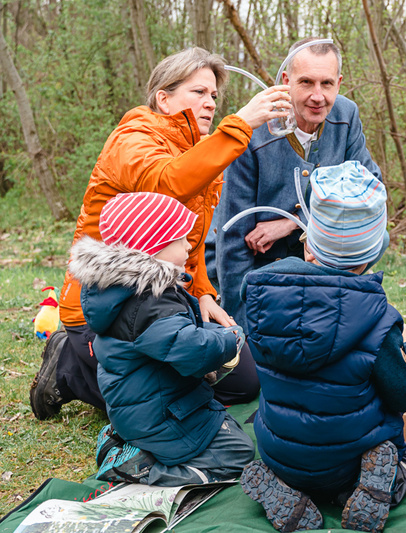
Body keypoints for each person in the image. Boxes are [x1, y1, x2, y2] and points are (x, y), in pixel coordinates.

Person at [29, 47, 290, 419]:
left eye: (214, 95)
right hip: (106, 306)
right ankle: (68, 364)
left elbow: (190, 237)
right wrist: (241, 123)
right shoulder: (133, 138)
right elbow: (168, 184)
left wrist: (203, 294)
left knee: (244, 380)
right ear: (163, 99)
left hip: (164, 298)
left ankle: (124, 365)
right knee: (158, 399)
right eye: (198, 92)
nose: (210, 103)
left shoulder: (201, 149)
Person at [239, 161, 406, 533]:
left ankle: (279, 483)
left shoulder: (259, 298)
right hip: (349, 462)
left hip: (281, 455)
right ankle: (373, 484)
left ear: (309, 248)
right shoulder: (380, 319)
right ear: (373, 255)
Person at [67, 192, 255, 486]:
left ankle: (134, 444)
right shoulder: (149, 303)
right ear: (154, 248)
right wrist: (231, 338)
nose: (189, 245)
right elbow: (192, 350)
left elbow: (175, 337)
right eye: (181, 240)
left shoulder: (130, 292)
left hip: (154, 403)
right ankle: (138, 467)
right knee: (237, 453)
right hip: (158, 415)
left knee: (223, 425)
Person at [212, 37, 382, 330]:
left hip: (318, 251)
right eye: (306, 82)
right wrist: (238, 327)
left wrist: (293, 221)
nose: (318, 96)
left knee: (377, 239)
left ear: (338, 83)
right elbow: (232, 237)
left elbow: (371, 191)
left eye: (326, 84)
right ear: (286, 81)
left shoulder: (346, 115)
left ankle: (341, 311)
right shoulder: (252, 131)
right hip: (264, 260)